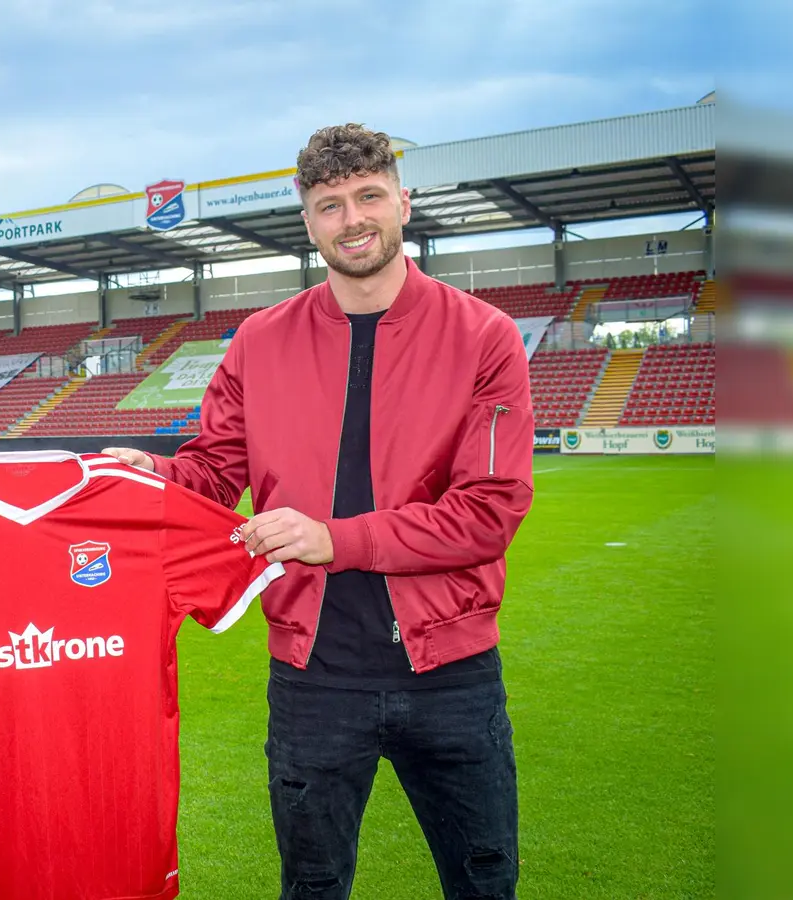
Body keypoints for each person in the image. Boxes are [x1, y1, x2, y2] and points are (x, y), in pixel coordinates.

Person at [105, 124, 534, 900]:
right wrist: (150, 475)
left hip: (451, 672)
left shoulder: (484, 335)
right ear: (309, 221)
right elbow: (212, 472)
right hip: (314, 674)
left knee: (484, 879)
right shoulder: (260, 341)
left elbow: (489, 512)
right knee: (312, 883)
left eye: (369, 195)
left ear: (403, 201)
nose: (353, 218)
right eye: (330, 205)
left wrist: (333, 539)